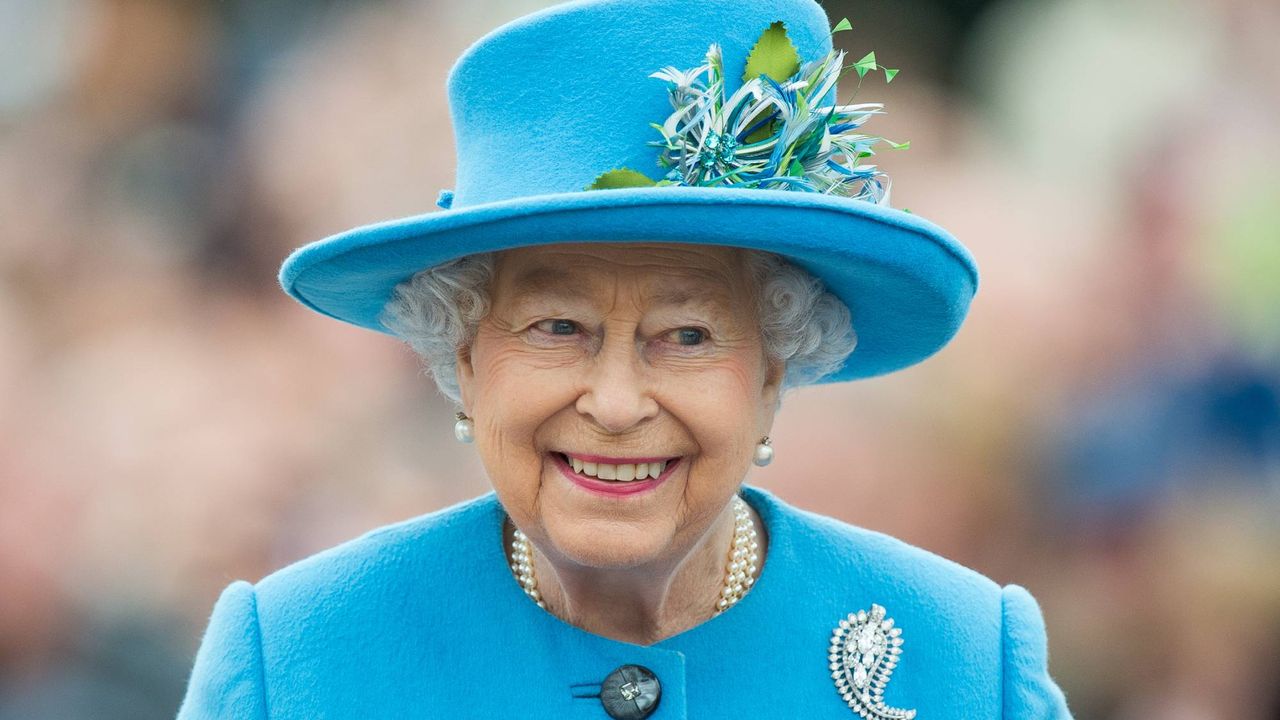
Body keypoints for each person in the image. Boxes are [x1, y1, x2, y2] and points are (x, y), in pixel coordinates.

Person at [177, 0, 1073, 717]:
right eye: (556, 328)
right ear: (463, 354)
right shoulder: (296, 658)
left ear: (772, 371)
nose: (613, 402)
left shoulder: (962, 658)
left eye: (685, 336)